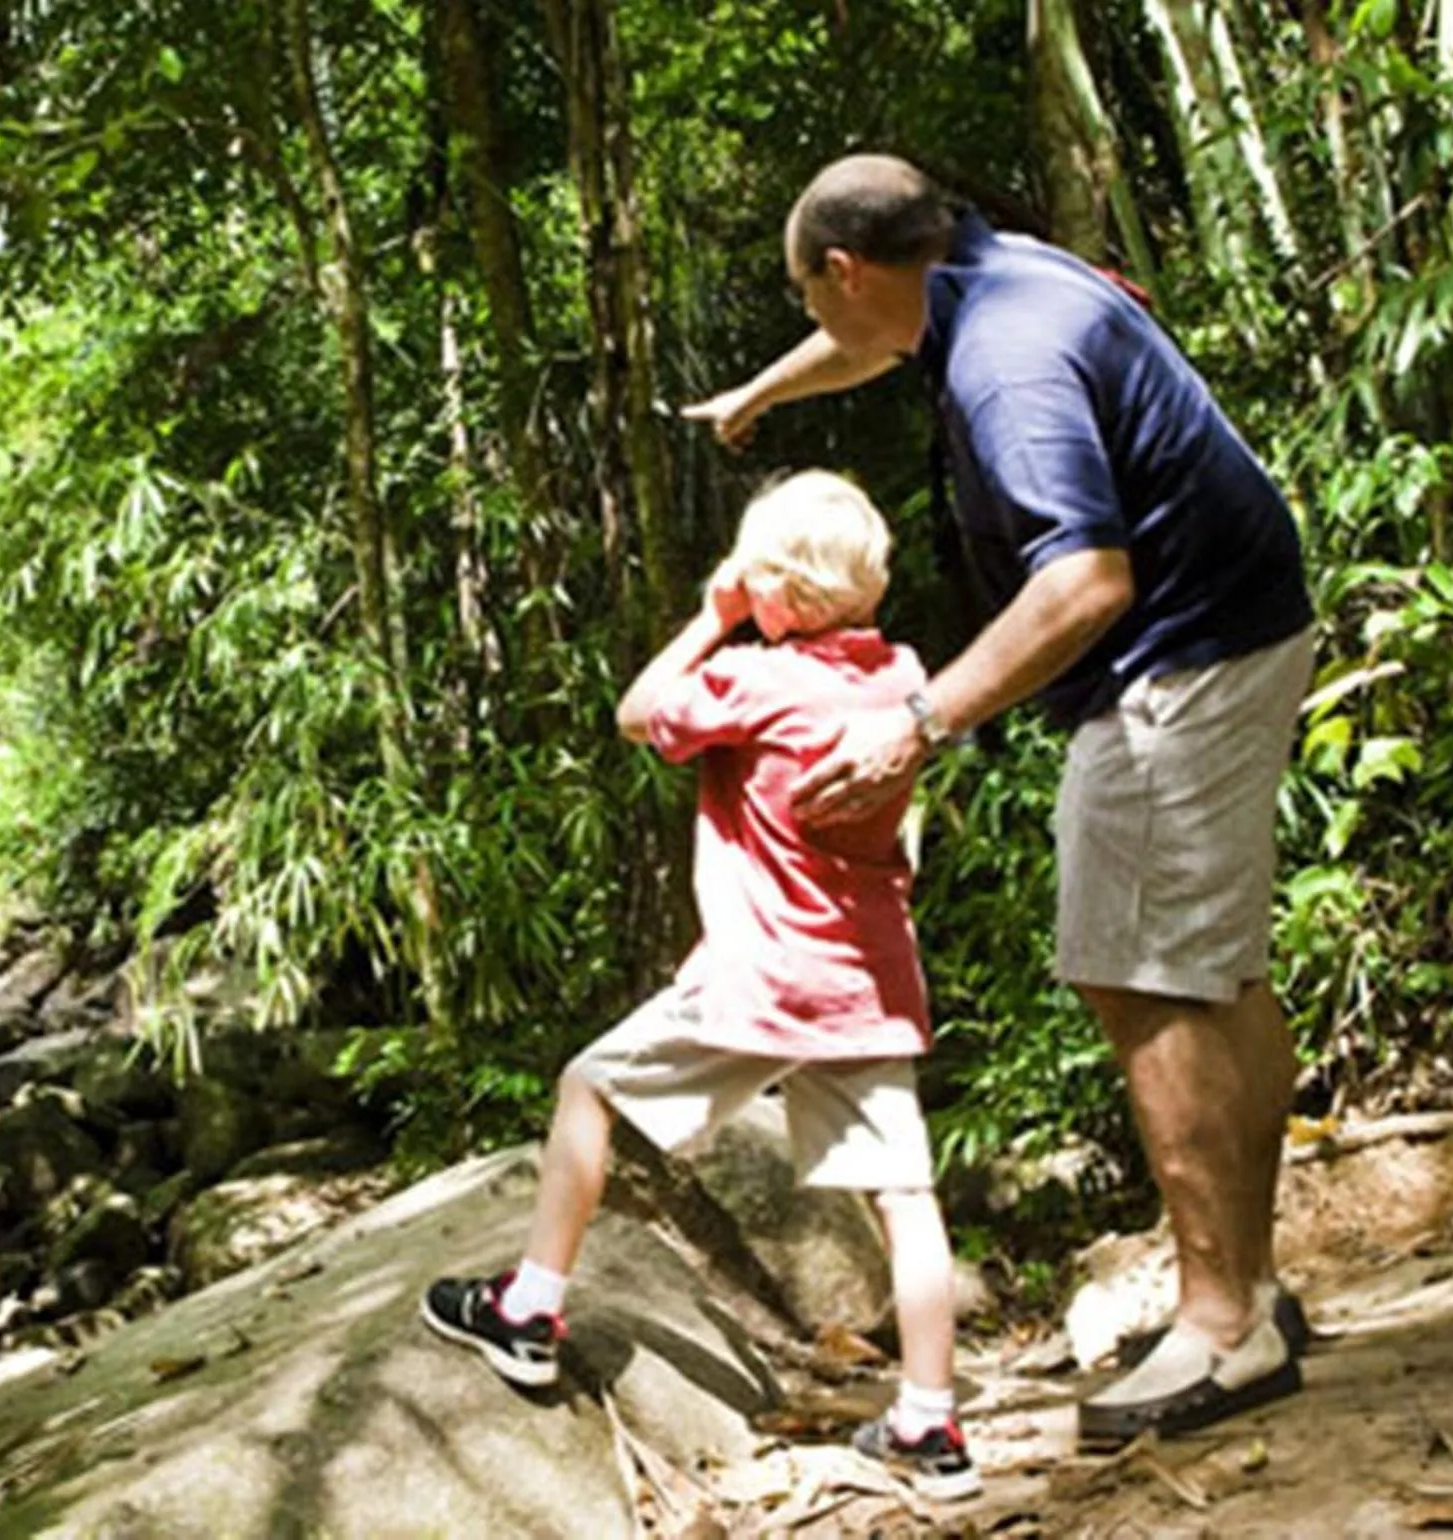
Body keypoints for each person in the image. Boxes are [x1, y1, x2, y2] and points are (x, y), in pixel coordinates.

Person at [682, 153, 1317, 1449]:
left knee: (1140, 977)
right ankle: (1249, 1290)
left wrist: (918, 720)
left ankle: (1219, 1326)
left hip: (1171, 667)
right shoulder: (985, 273)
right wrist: (761, 391)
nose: (820, 328)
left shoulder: (1004, 361)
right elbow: (858, 347)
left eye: (813, 301)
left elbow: (1084, 582)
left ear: (844, 272)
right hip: (1244, 625)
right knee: (1211, 972)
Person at [420, 471, 981, 1503]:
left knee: (587, 1086)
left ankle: (530, 1308)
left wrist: (712, 616)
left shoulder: (757, 679)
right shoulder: (902, 674)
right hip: (864, 983)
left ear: (772, 587)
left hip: (762, 977)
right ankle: (930, 1423)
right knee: (906, 1196)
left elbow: (638, 711)